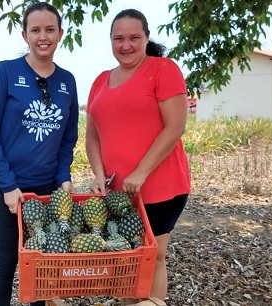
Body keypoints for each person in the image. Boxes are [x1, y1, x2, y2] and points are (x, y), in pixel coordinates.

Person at [0, 2, 79, 305]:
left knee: (40, 262)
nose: (42, 36)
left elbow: (67, 138)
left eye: (50, 29)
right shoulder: (5, 72)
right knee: (7, 261)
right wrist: (8, 186)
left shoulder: (67, 81)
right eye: (35, 30)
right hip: (1, 185)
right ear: (24, 34)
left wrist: (63, 178)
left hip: (45, 187)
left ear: (60, 34)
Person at [85, 8, 190, 305]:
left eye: (134, 37)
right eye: (119, 38)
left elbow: (175, 127)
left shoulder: (163, 69)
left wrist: (141, 172)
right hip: (117, 191)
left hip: (159, 185)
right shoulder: (100, 81)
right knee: (124, 258)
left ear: (146, 38)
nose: (126, 45)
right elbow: (92, 135)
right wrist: (98, 174)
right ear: (110, 41)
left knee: (152, 255)